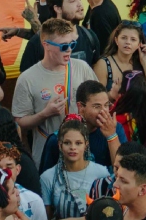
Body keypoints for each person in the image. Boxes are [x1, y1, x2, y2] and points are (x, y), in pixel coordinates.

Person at [12, 19, 98, 168]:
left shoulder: (82, 68)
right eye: (64, 46)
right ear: (46, 45)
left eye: (72, 44)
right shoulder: (27, 78)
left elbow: (98, 102)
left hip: (81, 153)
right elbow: (20, 122)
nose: (69, 50)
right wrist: (44, 114)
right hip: (48, 155)